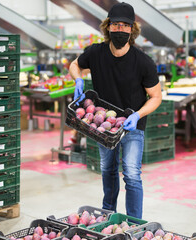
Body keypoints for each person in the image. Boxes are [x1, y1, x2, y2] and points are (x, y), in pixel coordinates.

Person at [69, 2, 162, 218]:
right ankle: (108, 214)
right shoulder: (96, 53)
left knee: (131, 175)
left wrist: (138, 114)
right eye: (115, 25)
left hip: (132, 126)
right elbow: (75, 64)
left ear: (132, 29)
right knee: (107, 170)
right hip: (103, 127)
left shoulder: (143, 62)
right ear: (107, 26)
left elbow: (156, 97)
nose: (120, 29)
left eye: (125, 25)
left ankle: (134, 222)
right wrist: (78, 80)